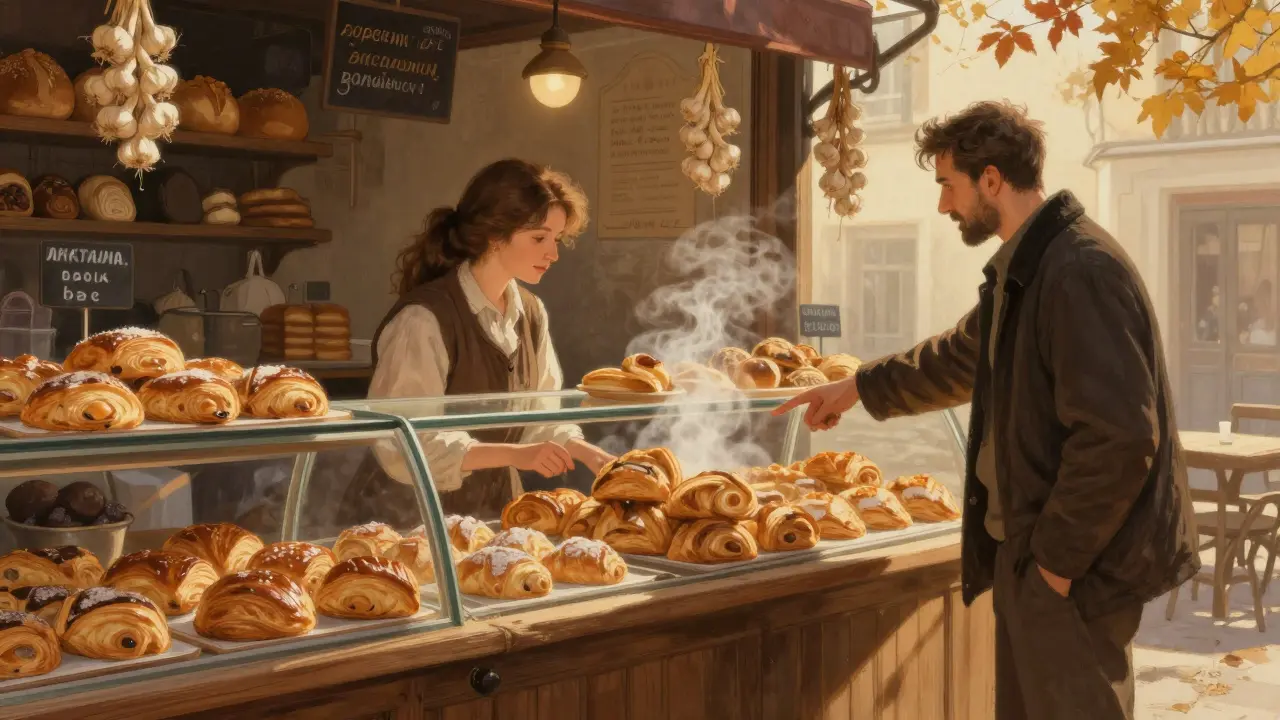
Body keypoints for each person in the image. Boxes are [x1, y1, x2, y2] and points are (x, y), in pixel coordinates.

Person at [775, 101, 1198, 720]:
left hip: (1072, 574)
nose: (943, 204)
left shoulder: (1079, 270)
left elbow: (1120, 438)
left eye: (949, 185)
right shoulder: (1029, 267)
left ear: (992, 180)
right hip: (1034, 562)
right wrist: (856, 387)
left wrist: (1053, 566)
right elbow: (958, 357)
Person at [345, 159, 615, 523]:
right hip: (407, 518)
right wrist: (516, 455)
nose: (552, 254)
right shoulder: (423, 320)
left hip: (489, 515)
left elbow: (541, 417)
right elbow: (404, 442)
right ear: (494, 235)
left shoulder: (531, 314)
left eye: (556, 239)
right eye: (539, 238)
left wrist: (590, 454)